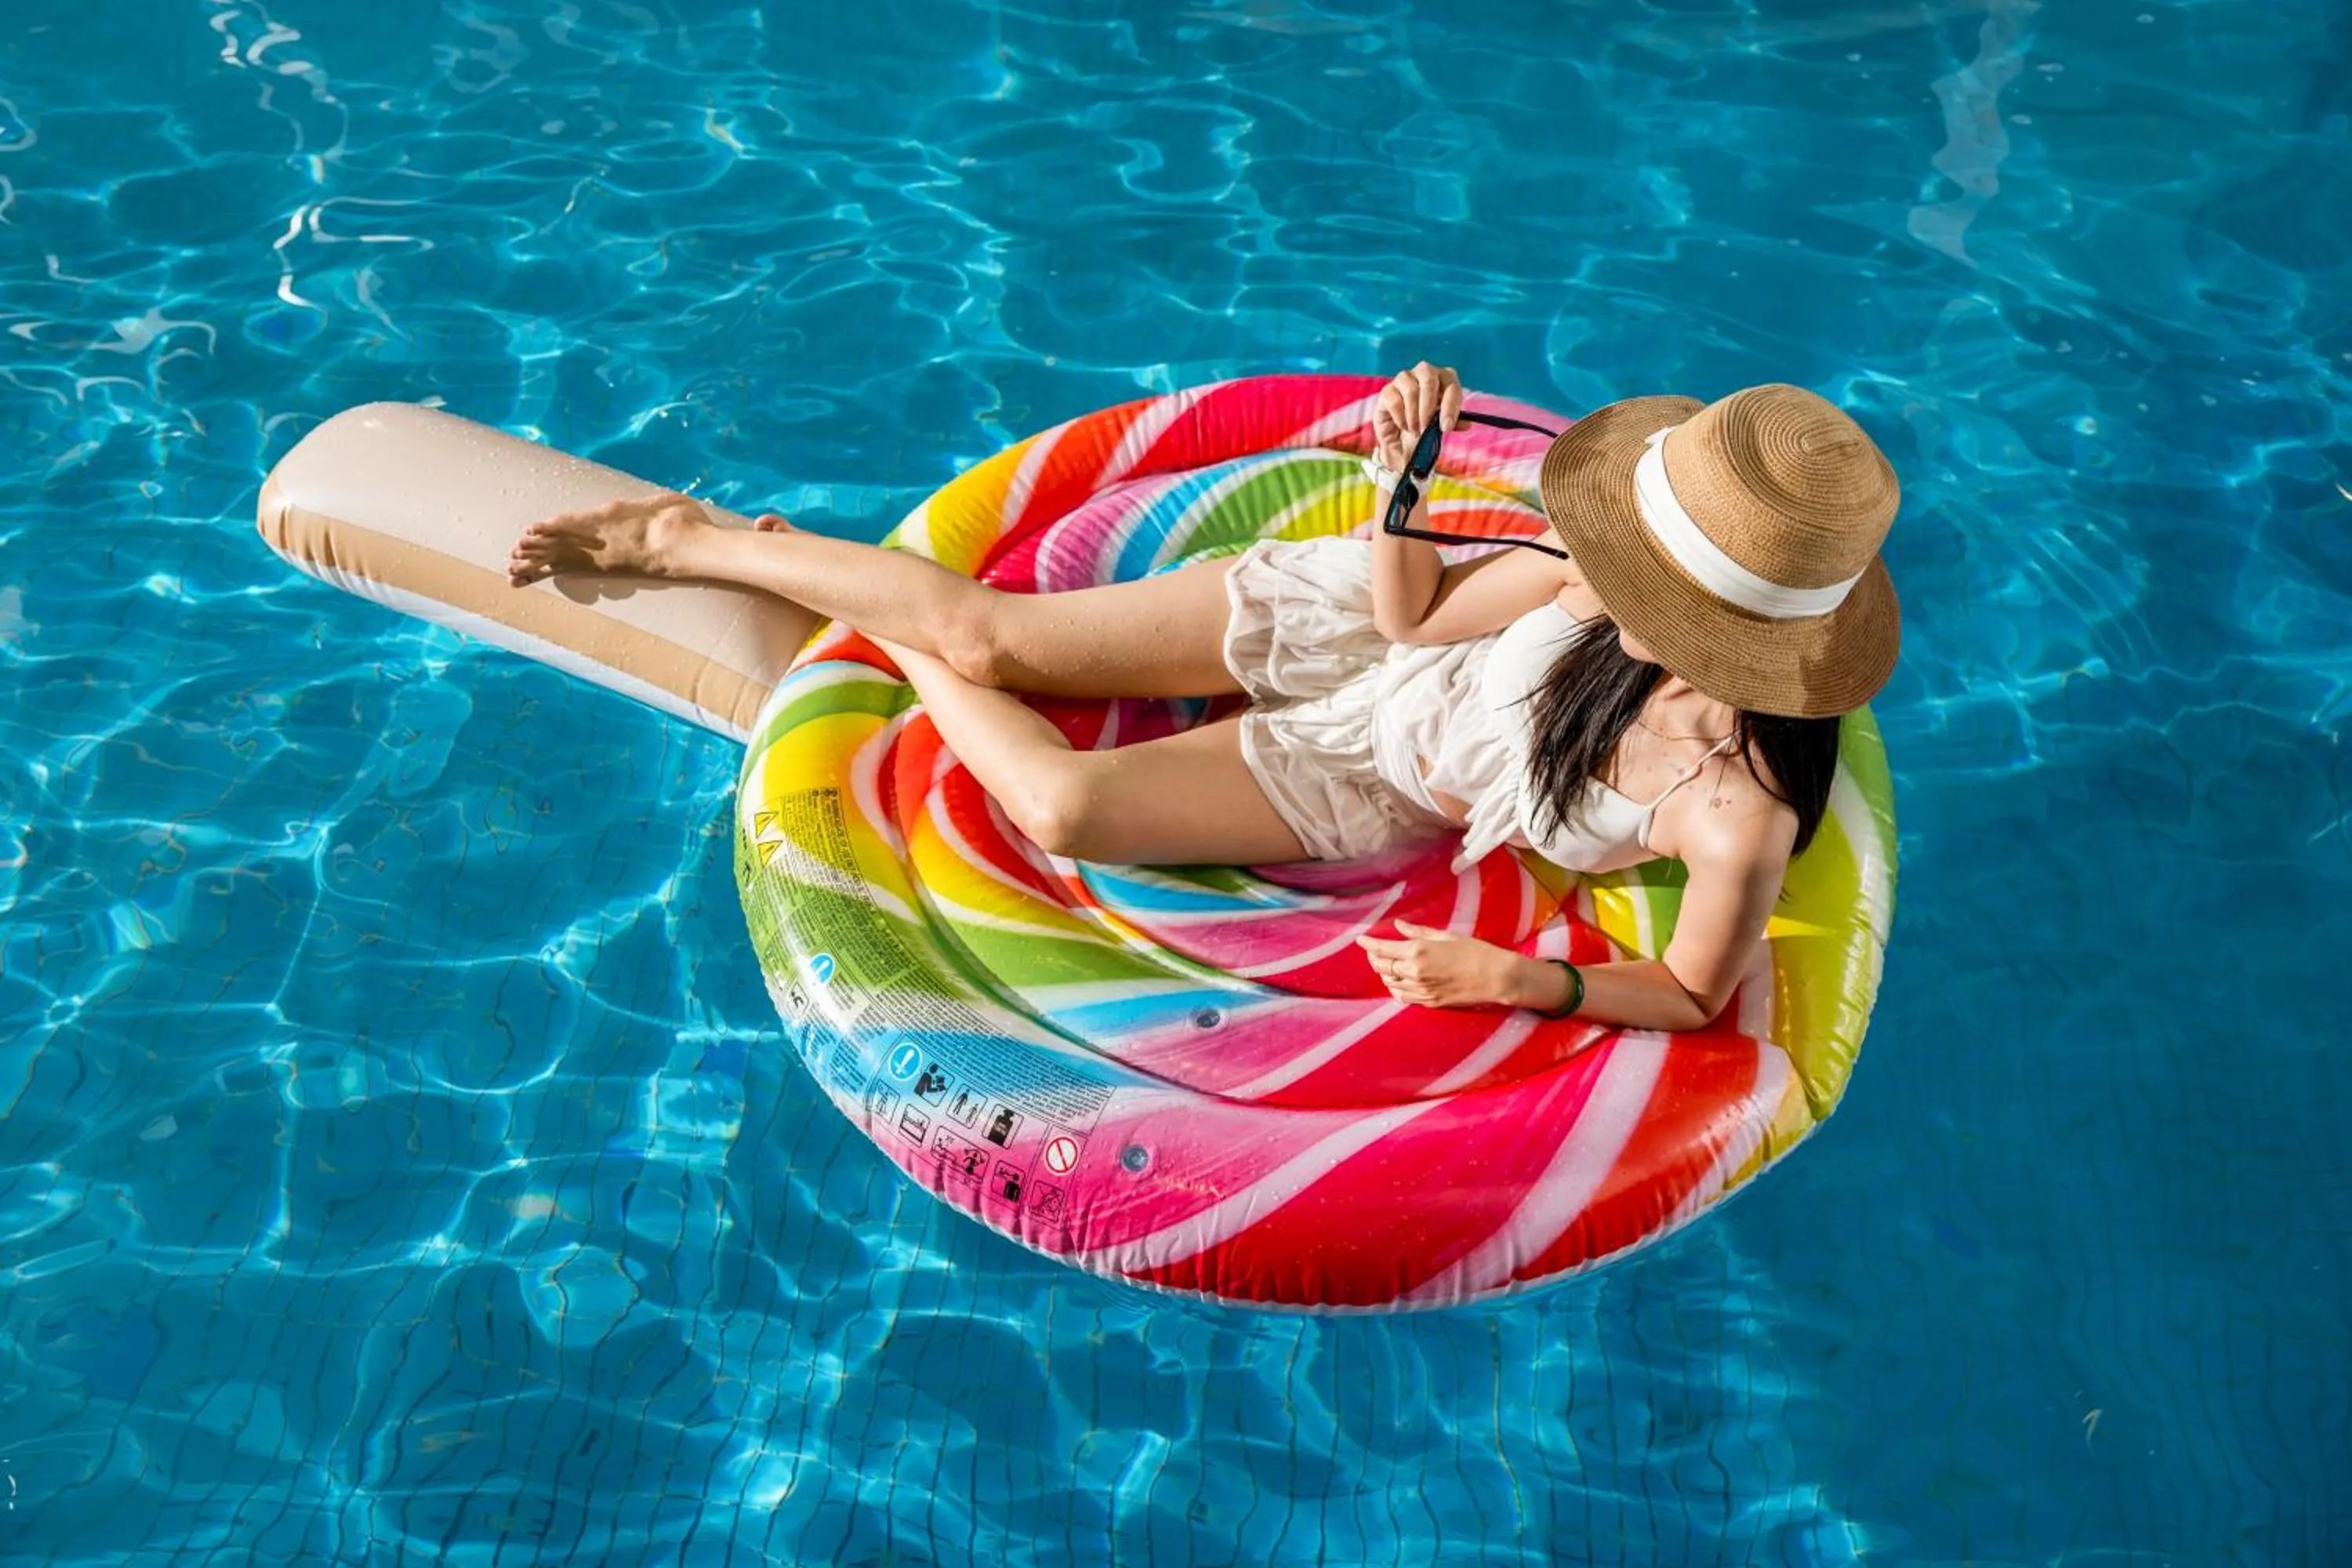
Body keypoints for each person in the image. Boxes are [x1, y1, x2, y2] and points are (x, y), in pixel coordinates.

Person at [505, 364, 1900, 1034]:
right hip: (1364, 625)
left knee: (1064, 804)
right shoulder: (1584, 581)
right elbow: (1410, 615)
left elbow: (1691, 991)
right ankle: (689, 539)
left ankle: (854, 610)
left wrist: (1518, 978)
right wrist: (1409, 476)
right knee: (996, 645)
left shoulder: (1739, 816)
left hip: (1387, 776)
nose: (1617, 582)